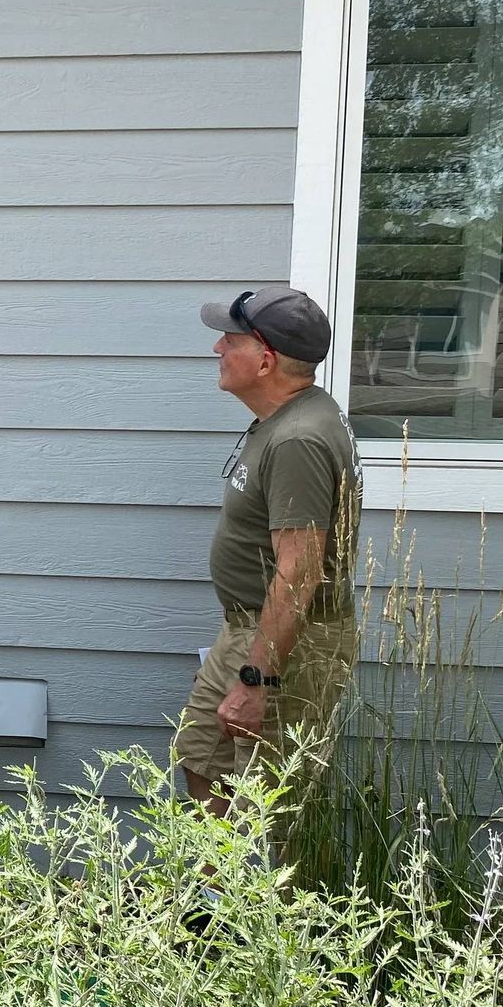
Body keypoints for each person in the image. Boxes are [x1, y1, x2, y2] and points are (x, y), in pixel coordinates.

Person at [174, 287, 362, 819]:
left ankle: (256, 902)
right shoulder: (291, 416)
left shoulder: (299, 438)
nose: (217, 349)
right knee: (204, 762)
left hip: (284, 645)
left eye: (229, 339)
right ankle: (208, 899)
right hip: (249, 631)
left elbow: (299, 572)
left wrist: (256, 679)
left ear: (265, 358)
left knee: (268, 801)